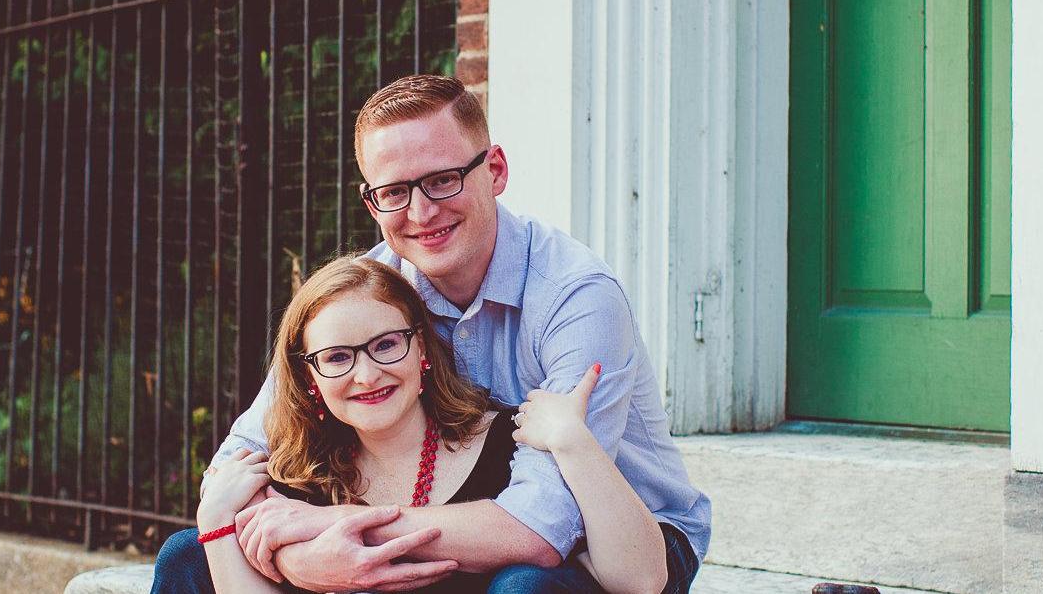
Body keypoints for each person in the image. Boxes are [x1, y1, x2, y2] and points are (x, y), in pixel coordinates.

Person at [154, 74, 709, 594]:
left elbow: (542, 528)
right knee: (186, 557)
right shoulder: (373, 290)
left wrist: (342, 527)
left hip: (613, 540)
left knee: (523, 587)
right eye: (394, 191)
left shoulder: (576, 297)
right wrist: (303, 557)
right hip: (462, 517)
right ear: (372, 201)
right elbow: (239, 458)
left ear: (494, 170)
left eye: (443, 180)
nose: (421, 212)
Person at [178, 255, 671, 594]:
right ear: (310, 378)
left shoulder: (505, 448)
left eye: (386, 344)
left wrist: (572, 440)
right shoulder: (299, 483)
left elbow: (641, 578)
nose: (367, 375)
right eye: (337, 358)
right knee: (186, 554)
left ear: (423, 351)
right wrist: (216, 523)